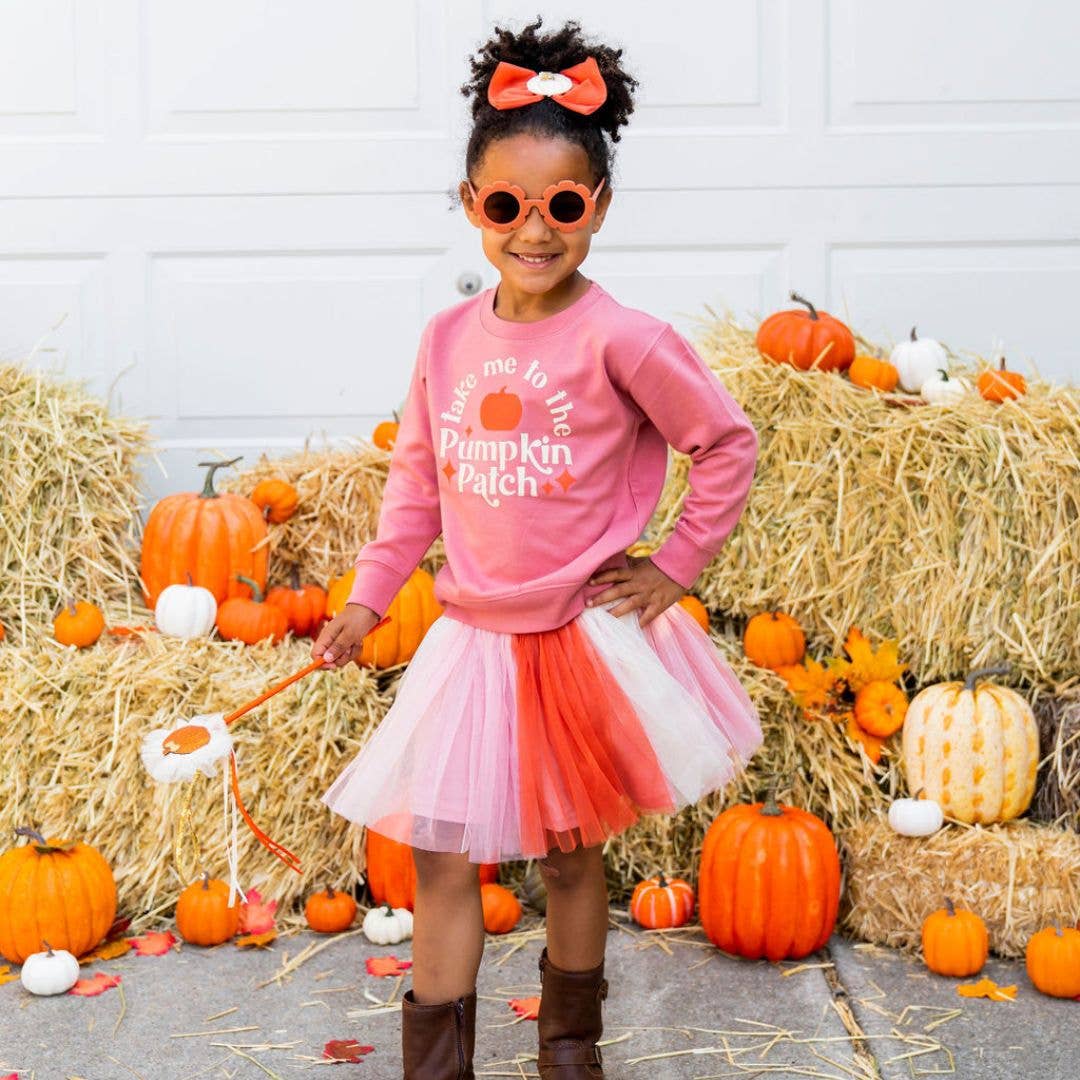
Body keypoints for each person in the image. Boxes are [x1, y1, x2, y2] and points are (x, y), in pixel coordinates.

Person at [312, 16, 763, 1080]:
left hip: (576, 637)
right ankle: (437, 1063)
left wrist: (674, 565)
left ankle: (570, 1051)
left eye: (563, 206)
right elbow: (417, 486)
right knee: (437, 847)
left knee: (568, 855)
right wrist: (371, 598)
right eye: (507, 205)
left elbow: (725, 443)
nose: (535, 230)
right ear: (472, 206)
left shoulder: (625, 338)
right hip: (472, 637)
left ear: (597, 207)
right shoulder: (446, 341)